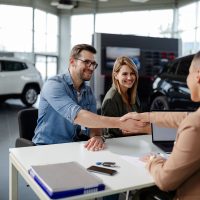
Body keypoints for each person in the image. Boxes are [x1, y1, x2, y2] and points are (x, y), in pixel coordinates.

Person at [32, 44, 145, 151]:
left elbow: (94, 126)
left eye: (93, 64)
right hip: (46, 148)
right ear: (72, 62)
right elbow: (78, 116)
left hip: (72, 147)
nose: (91, 67)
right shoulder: (54, 85)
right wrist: (121, 123)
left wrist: (97, 136)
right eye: (86, 62)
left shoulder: (88, 91)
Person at [120, 51, 200, 199]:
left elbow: (165, 181)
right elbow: (185, 116)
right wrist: (145, 116)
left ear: (197, 76)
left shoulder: (194, 126)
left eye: (187, 73)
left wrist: (153, 161)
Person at [101, 56, 150, 138]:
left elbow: (140, 120)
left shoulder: (132, 93)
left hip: (136, 140)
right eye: (125, 74)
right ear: (116, 75)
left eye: (132, 73)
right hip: (120, 145)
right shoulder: (111, 99)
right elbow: (110, 133)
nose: (129, 77)